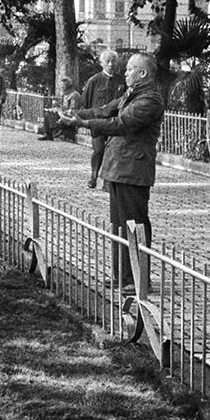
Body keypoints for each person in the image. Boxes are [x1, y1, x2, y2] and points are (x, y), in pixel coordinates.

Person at [61, 52, 165, 293]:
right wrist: (78, 115)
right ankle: (123, 276)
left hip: (133, 169)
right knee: (119, 226)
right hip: (119, 168)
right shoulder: (133, 93)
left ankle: (139, 280)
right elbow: (106, 110)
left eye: (129, 69)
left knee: (134, 224)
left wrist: (83, 124)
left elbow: (122, 124)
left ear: (143, 73)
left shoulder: (150, 99)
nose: (125, 72)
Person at [79, 50, 124, 188]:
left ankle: (107, 181)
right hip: (98, 123)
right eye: (107, 61)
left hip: (114, 123)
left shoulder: (121, 81)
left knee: (113, 152)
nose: (111, 64)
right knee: (98, 150)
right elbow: (85, 103)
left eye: (113, 61)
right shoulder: (94, 81)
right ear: (102, 63)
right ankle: (93, 177)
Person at [38, 77, 81, 142]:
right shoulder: (65, 94)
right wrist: (57, 105)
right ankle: (48, 134)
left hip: (70, 116)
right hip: (63, 113)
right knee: (47, 113)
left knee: (52, 116)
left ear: (67, 86)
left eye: (63, 86)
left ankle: (58, 131)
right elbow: (64, 107)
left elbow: (72, 110)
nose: (61, 87)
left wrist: (61, 113)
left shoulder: (75, 95)